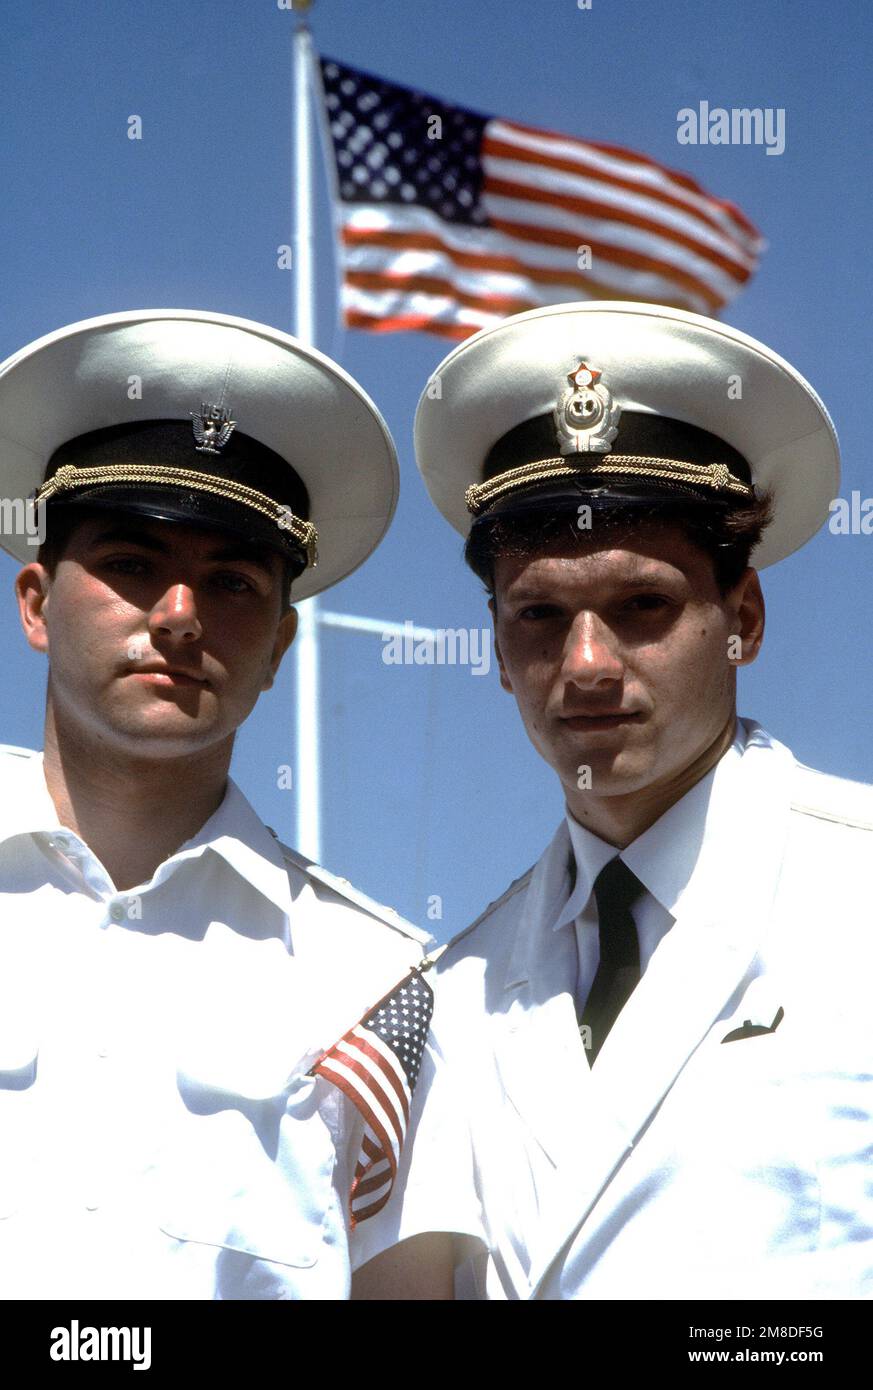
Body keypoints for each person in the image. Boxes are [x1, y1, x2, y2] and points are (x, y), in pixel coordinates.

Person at [354, 301, 873, 1301]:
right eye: (541, 615)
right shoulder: (447, 994)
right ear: (499, 651)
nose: (587, 664)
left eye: (642, 606)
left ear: (744, 619)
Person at [0, 307, 440, 1301]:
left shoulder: (375, 985)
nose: (181, 616)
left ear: (281, 647)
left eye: (232, 580)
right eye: (131, 564)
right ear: (36, 601)